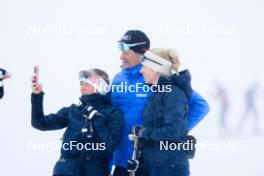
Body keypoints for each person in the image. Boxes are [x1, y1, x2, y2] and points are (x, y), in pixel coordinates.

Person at [110, 30, 209, 176]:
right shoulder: (118, 79)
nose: (121, 56)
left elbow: (201, 106)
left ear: (142, 52)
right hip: (121, 161)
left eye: (126, 50)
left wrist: (173, 136)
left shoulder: (159, 81)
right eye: (120, 49)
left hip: (148, 160)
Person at [31, 68, 124, 176]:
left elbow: (110, 146)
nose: (82, 86)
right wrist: (37, 96)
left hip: (94, 171)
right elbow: (40, 123)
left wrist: (95, 121)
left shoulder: (113, 113)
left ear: (102, 86)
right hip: (65, 171)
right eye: (81, 83)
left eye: (87, 83)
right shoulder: (73, 111)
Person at [130, 48, 192, 176]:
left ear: (157, 68)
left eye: (144, 67)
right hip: (154, 165)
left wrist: (144, 132)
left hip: (170, 167)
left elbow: (174, 131)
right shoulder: (156, 94)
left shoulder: (174, 94)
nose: (141, 71)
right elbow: (155, 133)